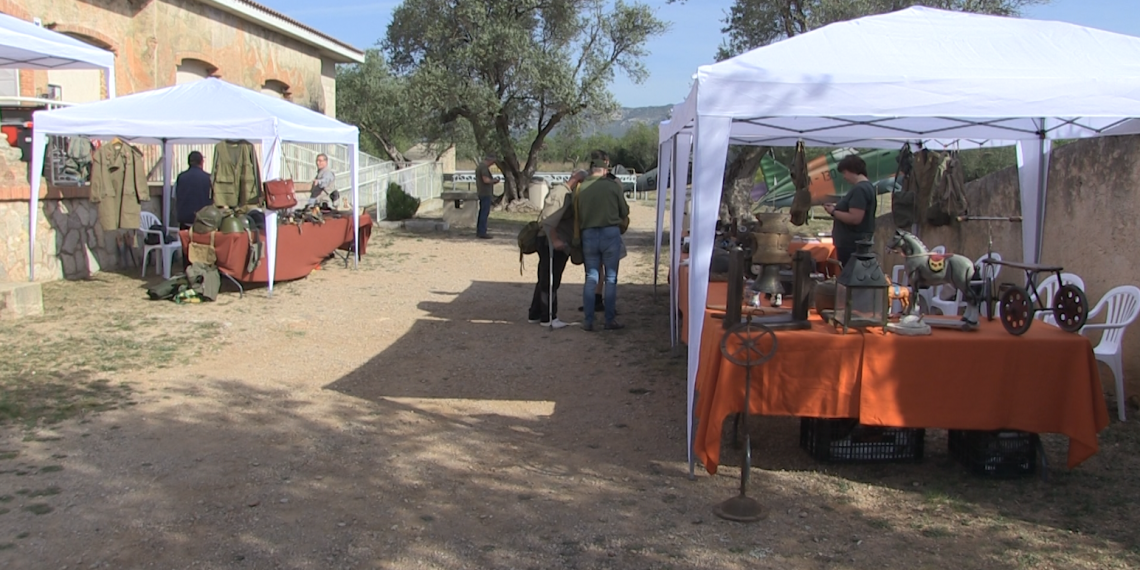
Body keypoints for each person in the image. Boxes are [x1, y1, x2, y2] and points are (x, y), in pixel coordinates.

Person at [576, 150, 629, 332]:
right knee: (611, 278)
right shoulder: (613, 186)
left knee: (591, 277)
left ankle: (589, 321)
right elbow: (624, 211)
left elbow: (578, 212)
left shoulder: (582, 187)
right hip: (610, 234)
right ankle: (609, 320)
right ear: (605, 170)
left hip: (589, 234)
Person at [528, 170, 587, 329]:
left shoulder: (565, 192)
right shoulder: (561, 193)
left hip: (551, 240)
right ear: (577, 180)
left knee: (544, 278)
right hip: (551, 242)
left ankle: (535, 314)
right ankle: (548, 317)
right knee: (551, 280)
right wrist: (555, 240)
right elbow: (548, 220)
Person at [824, 154, 877, 265]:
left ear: (852, 170)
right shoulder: (866, 187)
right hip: (854, 243)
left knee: (849, 276)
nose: (844, 177)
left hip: (851, 245)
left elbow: (855, 218)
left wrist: (833, 212)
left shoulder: (860, 189)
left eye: (845, 173)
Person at [174, 151, 212, 229]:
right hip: (203, 221)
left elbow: (174, 196)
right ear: (202, 162)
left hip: (184, 220)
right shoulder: (209, 178)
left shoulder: (180, 177)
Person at [475, 154, 498, 239]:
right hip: (485, 193)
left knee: (482, 212)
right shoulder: (484, 168)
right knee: (484, 212)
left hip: (482, 192)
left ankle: (480, 230)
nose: (492, 164)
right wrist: (494, 181)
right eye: (492, 162)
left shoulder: (480, 166)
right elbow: (486, 180)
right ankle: (482, 232)